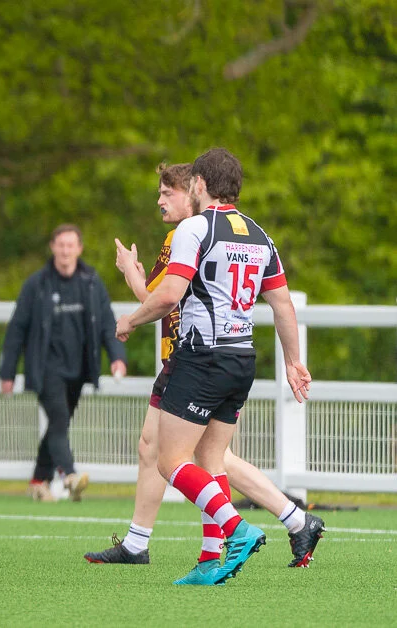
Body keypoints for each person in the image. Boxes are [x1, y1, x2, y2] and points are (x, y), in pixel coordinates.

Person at [86, 163, 324, 567]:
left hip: (200, 357)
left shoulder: (195, 229)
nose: (161, 200)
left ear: (197, 185)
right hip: (239, 357)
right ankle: (207, 557)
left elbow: (166, 297)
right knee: (205, 458)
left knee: (172, 459)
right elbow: (281, 303)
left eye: (167, 192)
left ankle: (250, 527)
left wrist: (127, 317)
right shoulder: (260, 235)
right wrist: (293, 361)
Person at [0, 224, 127, 502]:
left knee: (59, 424)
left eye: (71, 245)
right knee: (58, 419)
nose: (66, 250)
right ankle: (69, 475)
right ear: (53, 248)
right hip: (45, 369)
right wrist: (7, 371)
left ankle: (37, 481)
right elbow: (17, 328)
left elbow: (107, 322)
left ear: (79, 249)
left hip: (79, 370)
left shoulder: (91, 282)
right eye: (61, 245)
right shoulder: (37, 284)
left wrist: (117, 357)